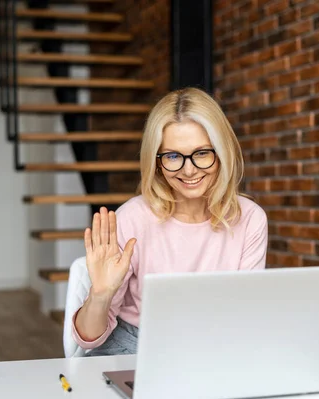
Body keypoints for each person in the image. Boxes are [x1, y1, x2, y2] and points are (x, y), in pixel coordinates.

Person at [72, 87, 268, 356]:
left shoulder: (250, 219)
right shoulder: (132, 217)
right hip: (136, 343)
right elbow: (88, 339)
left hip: (215, 345)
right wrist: (101, 294)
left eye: (201, 153)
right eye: (173, 156)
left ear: (222, 152)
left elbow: (246, 316)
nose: (189, 170)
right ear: (157, 162)